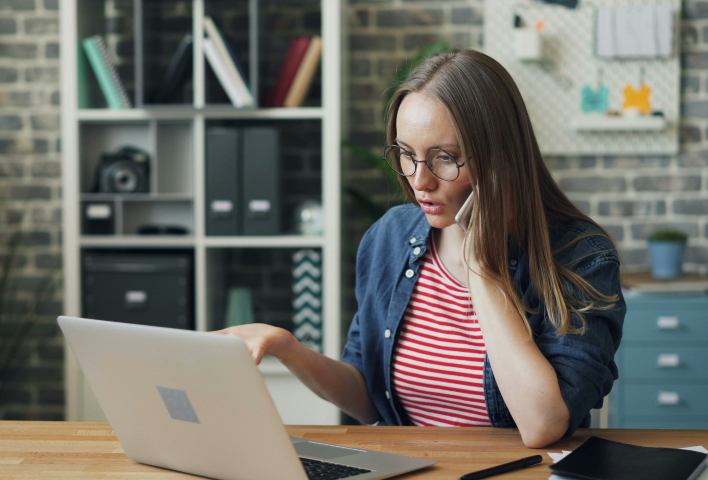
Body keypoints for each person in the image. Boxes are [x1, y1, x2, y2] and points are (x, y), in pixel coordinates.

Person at [216, 49, 625, 449]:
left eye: (444, 158)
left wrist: (482, 266)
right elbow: (367, 397)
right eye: (406, 155)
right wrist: (289, 348)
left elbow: (543, 425)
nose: (419, 181)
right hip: (412, 479)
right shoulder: (390, 236)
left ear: (501, 158)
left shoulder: (579, 256)